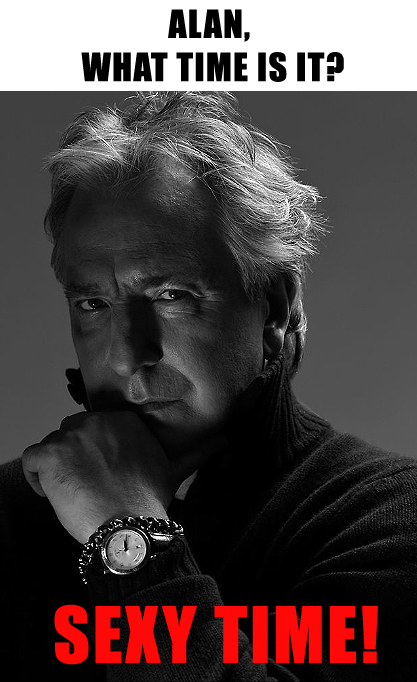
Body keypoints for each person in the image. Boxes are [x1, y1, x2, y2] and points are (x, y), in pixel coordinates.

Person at [0, 91, 416, 682]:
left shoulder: (386, 522)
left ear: (274, 309)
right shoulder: (7, 516)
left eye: (172, 296)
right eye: (93, 304)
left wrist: (129, 535)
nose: (127, 356)